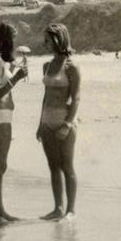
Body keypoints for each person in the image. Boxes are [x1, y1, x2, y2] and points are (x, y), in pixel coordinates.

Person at [0, 23, 28, 226]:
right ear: (6, 39)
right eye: (13, 38)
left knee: (1, 165)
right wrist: (16, 78)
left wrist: (12, 71)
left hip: (2, 116)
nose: (15, 43)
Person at [36, 24, 81, 221]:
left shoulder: (71, 67)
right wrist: (39, 124)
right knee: (53, 166)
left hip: (64, 119)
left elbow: (76, 98)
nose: (44, 44)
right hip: (47, 120)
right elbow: (45, 97)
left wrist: (67, 124)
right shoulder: (46, 66)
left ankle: (70, 210)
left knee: (67, 166)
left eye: (47, 40)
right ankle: (57, 208)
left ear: (58, 40)